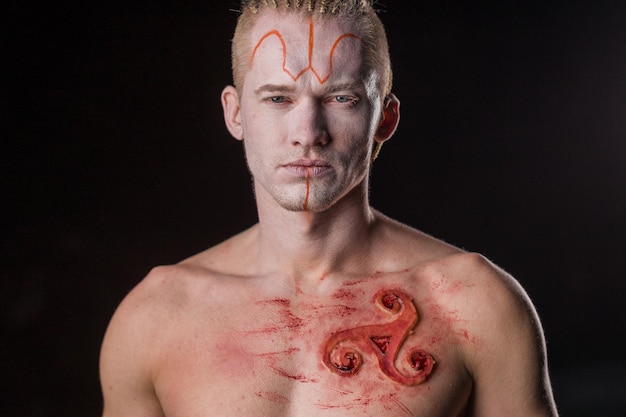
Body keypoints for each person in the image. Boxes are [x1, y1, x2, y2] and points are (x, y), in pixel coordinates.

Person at [99, 1, 559, 416]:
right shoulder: (156, 317)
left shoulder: (475, 305)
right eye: (278, 98)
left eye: (341, 98)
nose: (308, 132)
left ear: (385, 118)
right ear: (235, 113)